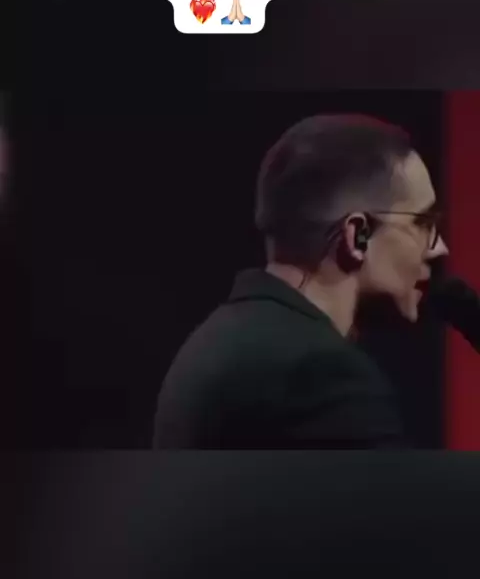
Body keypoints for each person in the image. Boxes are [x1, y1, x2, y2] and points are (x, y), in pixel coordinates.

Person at [153, 113, 448, 448]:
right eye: (422, 223)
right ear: (357, 235)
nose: (439, 247)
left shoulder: (211, 343)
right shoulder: (321, 373)